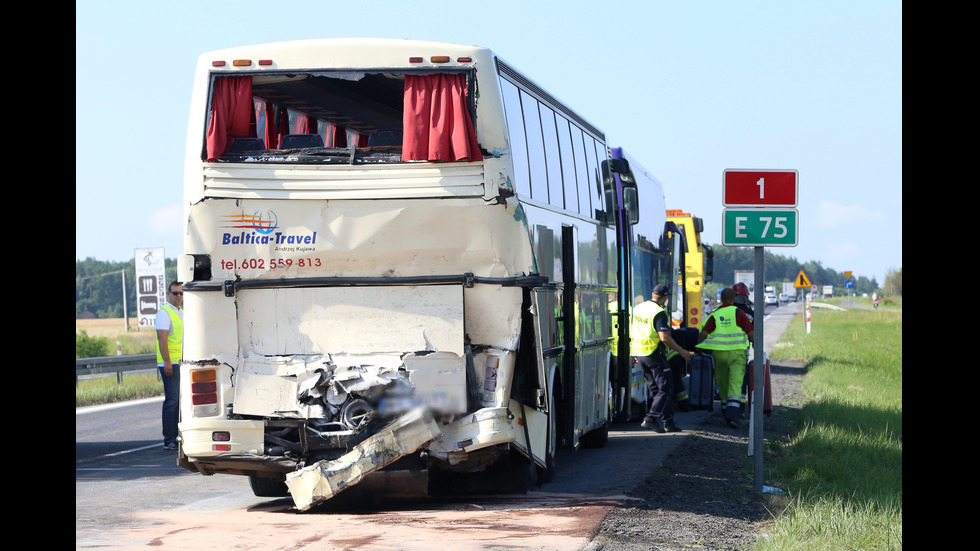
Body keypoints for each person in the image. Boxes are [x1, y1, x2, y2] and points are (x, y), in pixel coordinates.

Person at [630, 283, 692, 433]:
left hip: (640, 353)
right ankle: (650, 418)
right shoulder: (659, 312)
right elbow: (664, 337)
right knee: (665, 387)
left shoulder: (638, 308)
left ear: (652, 294)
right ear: (665, 297)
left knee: (657, 389)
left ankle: (668, 423)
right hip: (654, 354)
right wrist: (681, 351)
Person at [697, 287, 754, 429]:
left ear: (721, 300)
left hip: (720, 355)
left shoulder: (715, 314)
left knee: (722, 383)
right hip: (737, 355)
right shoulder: (739, 313)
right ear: (734, 299)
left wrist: (698, 346)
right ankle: (732, 415)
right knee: (735, 383)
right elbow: (751, 333)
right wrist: (756, 344)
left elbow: (704, 333)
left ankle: (724, 410)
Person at [156, 281, 183, 450]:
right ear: (168, 294)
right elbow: (162, 338)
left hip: (180, 363)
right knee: (172, 401)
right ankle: (169, 439)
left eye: (181, 293)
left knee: (180, 401)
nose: (179, 296)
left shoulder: (180, 312)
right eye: (175, 293)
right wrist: (167, 362)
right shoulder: (164, 313)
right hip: (170, 363)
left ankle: (177, 435)